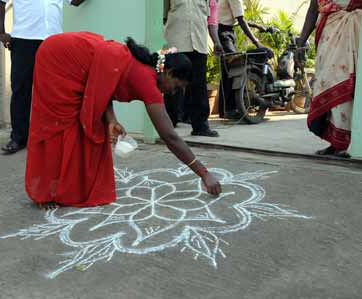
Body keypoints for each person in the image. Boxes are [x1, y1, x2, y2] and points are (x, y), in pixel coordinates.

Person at [25, 32, 223, 209]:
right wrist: (203, 173)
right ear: (168, 73)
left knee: (89, 128)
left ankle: (65, 189)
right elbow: (169, 136)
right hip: (58, 59)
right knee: (59, 127)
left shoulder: (147, 72)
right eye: (177, 86)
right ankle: (45, 192)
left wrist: (111, 119)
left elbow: (102, 84)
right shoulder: (147, 82)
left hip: (74, 59)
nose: (174, 92)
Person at [0, 0, 86, 155]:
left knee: (54, 92)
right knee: (21, 90)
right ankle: (19, 138)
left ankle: (52, 135)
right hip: (24, 40)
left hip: (54, 41)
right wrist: (0, 32)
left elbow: (75, 2)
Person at [297, 0, 361, 157]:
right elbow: (313, 9)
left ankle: (350, 143)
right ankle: (336, 142)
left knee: (351, 86)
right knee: (327, 84)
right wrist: (301, 42)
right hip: (329, 35)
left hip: (355, 33)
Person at [163, 0, 219, 137]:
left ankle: (200, 126)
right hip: (177, 42)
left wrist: (216, 42)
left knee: (198, 85)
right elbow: (163, 17)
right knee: (172, 85)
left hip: (198, 43)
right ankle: (169, 124)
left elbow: (208, 17)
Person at [217, 0, 263, 119]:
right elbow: (241, 20)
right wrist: (257, 43)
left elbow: (239, 19)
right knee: (233, 69)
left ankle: (225, 109)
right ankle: (230, 109)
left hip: (225, 31)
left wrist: (258, 26)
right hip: (224, 32)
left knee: (227, 71)